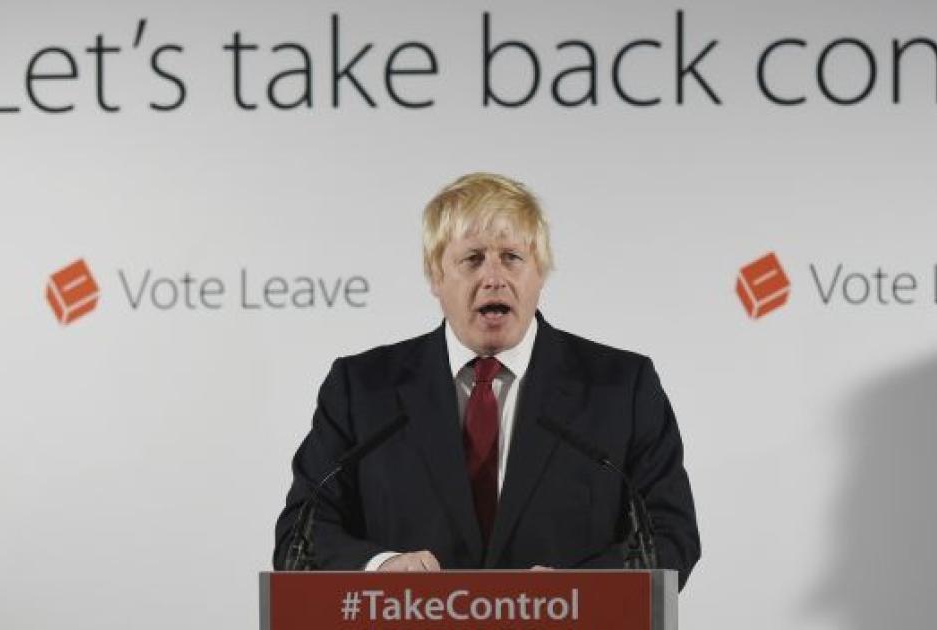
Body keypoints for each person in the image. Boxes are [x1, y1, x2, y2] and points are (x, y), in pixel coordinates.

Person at [272, 173, 700, 585]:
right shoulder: (362, 389)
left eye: (512, 257)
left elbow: (670, 536)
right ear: (435, 275)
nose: (494, 278)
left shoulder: (621, 388)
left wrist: (577, 590)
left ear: (540, 272)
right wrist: (382, 568)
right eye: (473, 258)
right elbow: (301, 535)